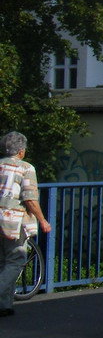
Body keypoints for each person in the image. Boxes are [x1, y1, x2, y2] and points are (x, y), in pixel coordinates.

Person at [1, 131, 52, 317]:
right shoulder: (26, 168)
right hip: (13, 221)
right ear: (21, 151)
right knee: (15, 260)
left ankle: (5, 305)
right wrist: (42, 220)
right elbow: (30, 198)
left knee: (2, 262)